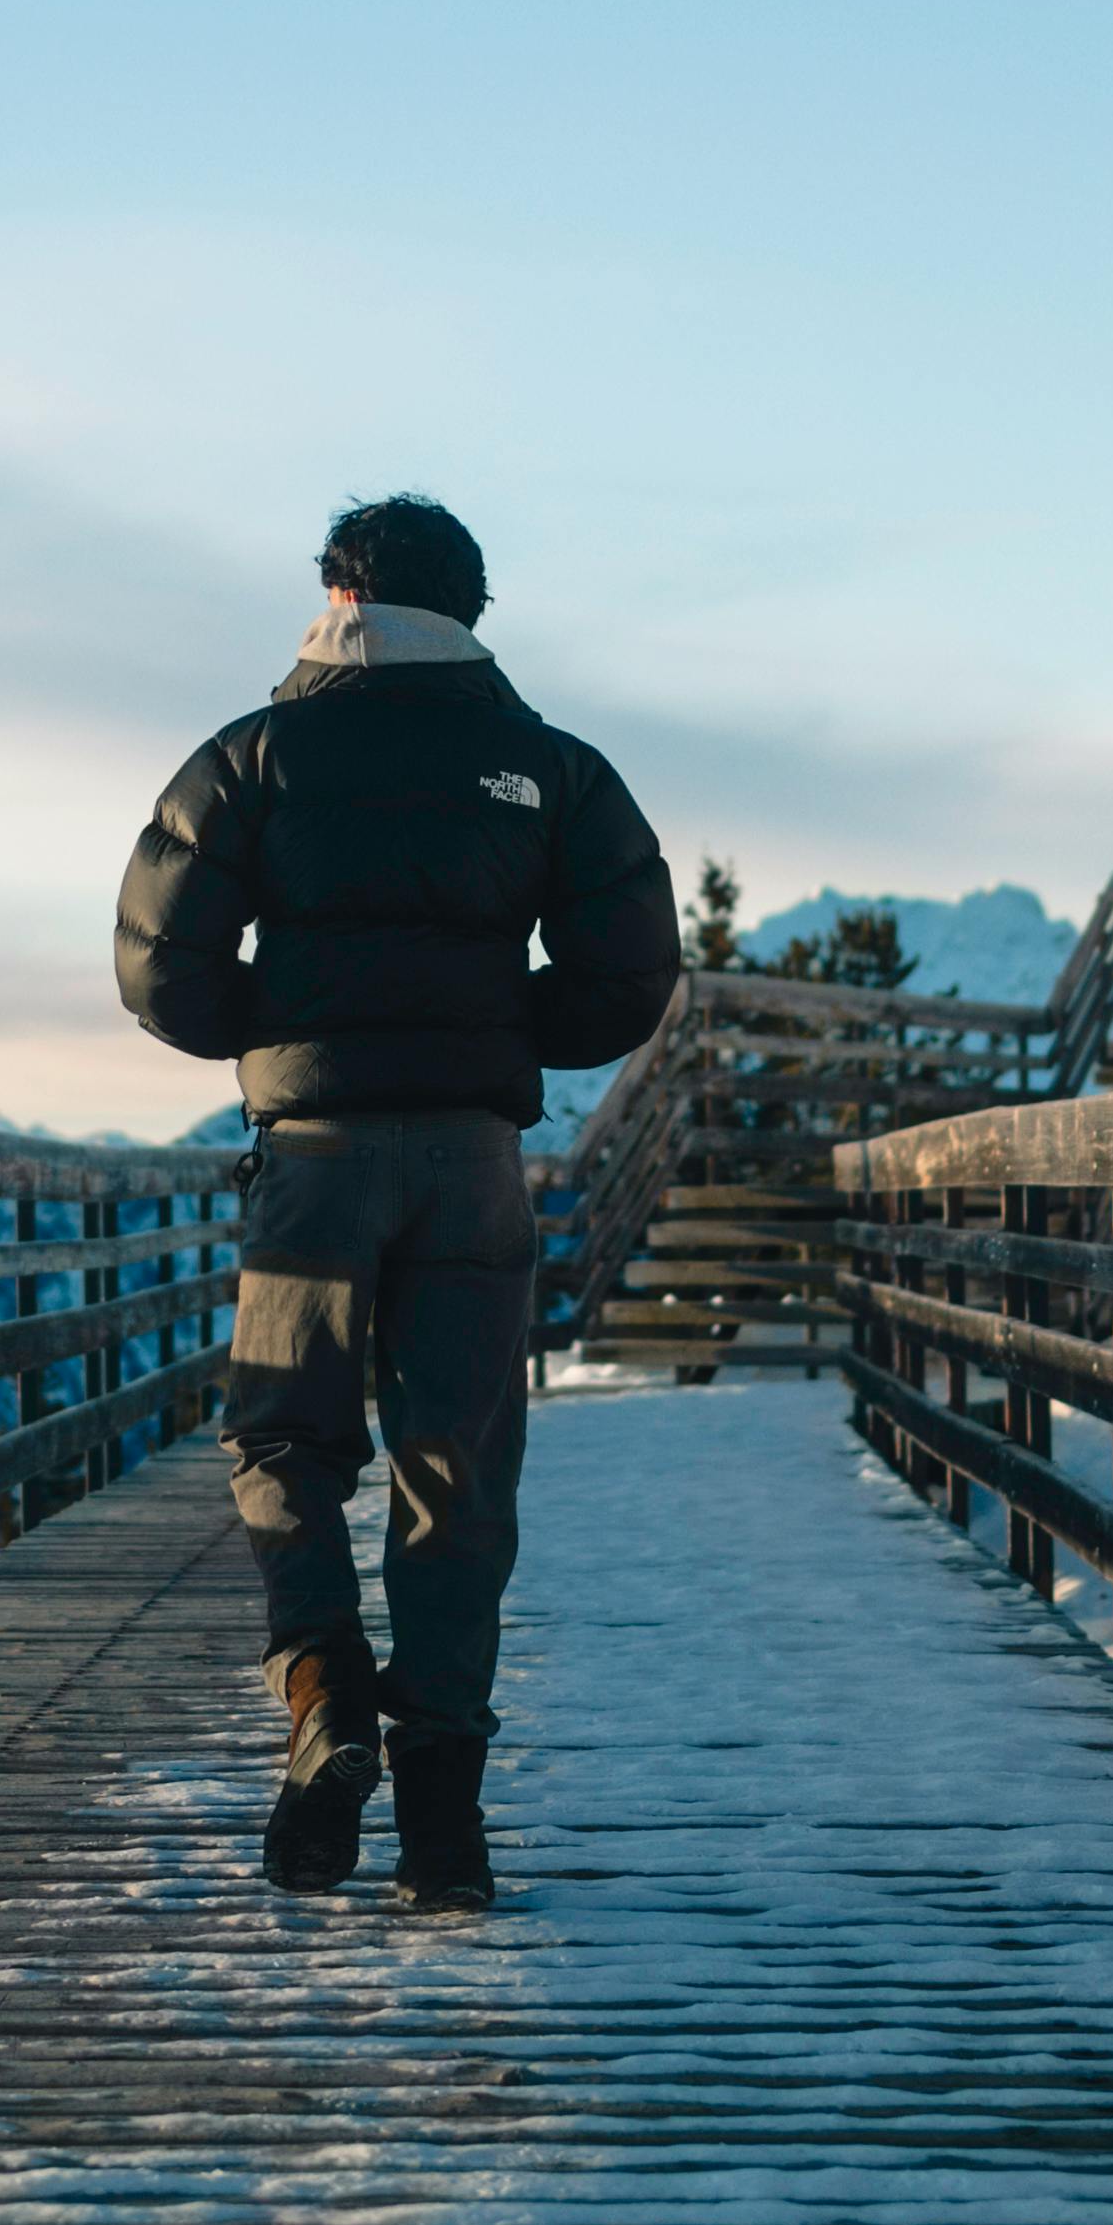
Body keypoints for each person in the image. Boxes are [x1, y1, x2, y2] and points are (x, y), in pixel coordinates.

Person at [107, 493, 683, 1903]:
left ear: (339, 599)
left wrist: (286, 1028)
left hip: (313, 1155)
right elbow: (628, 971)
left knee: (285, 1440)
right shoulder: (549, 768)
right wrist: (494, 1027)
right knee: (456, 1470)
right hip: (473, 1163)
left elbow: (158, 960)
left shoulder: (256, 756)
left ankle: (324, 1700)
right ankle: (444, 1829)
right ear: (471, 613)